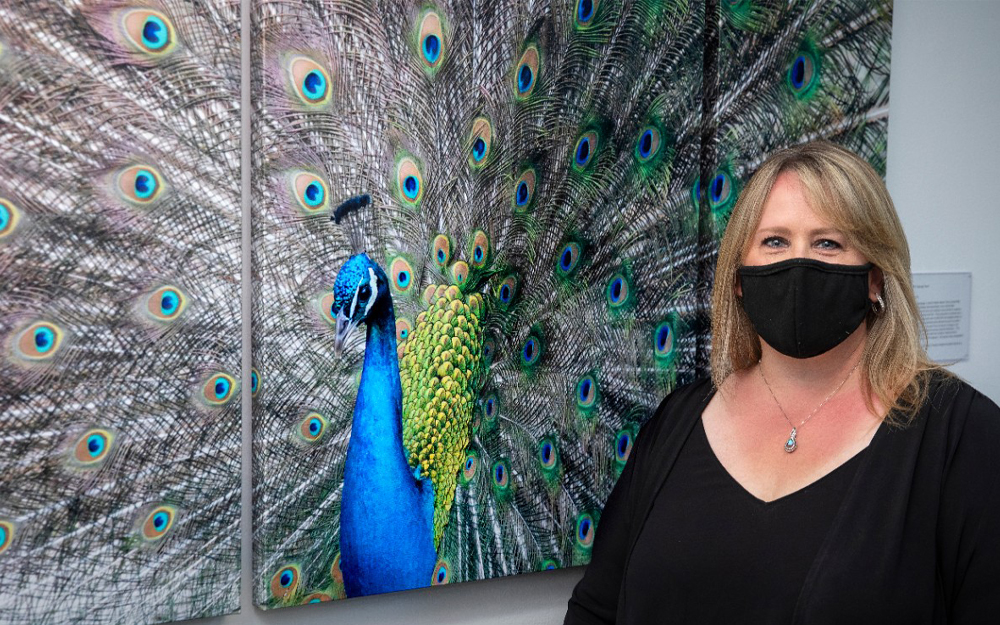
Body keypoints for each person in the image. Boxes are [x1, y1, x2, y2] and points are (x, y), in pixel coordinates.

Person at [563, 140, 1000, 624]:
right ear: (739, 278)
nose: (798, 265)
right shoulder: (678, 422)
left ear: (875, 278)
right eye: (774, 241)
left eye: (828, 243)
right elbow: (597, 609)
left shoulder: (963, 437)